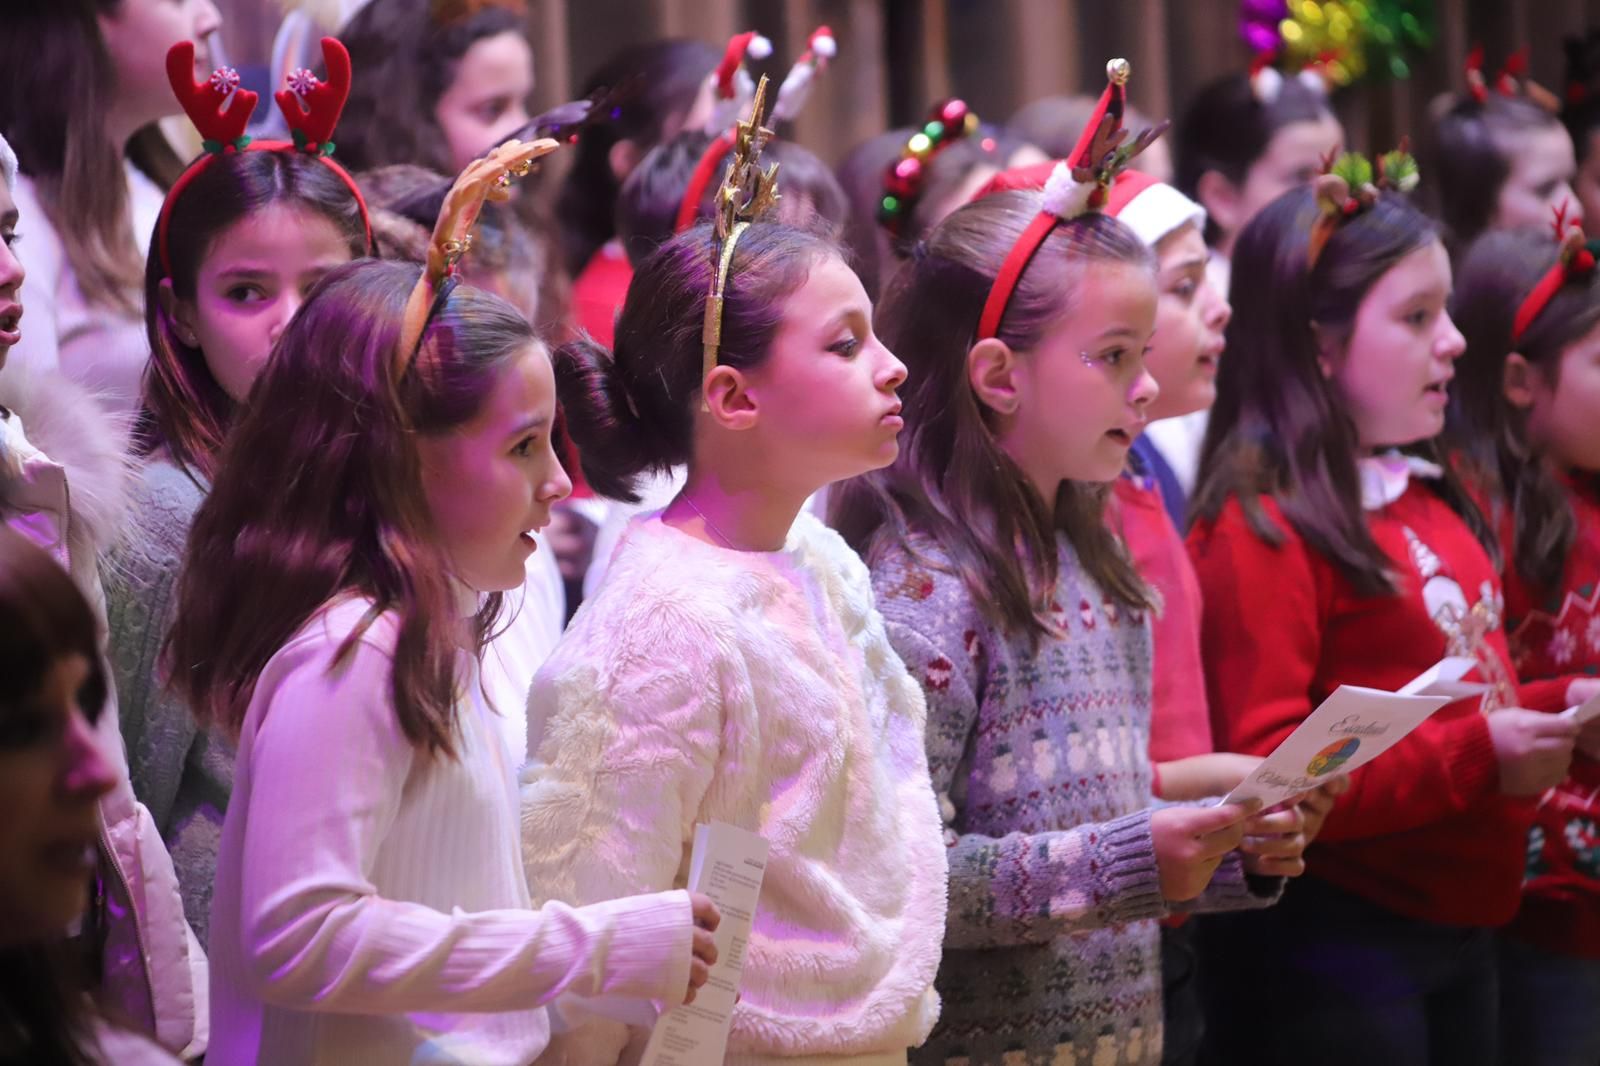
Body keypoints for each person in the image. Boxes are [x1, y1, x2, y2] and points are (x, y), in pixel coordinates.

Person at [166, 140, 717, 1065]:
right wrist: (586, 948)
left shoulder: (426, 637)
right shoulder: (357, 652)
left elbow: (441, 923)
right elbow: (296, 935)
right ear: (401, 453)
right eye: (522, 448)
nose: (557, 484)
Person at [520, 90, 947, 1064]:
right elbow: (589, 920)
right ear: (732, 395)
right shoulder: (660, 625)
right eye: (844, 344)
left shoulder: (820, 556)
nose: (891, 369)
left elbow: (882, 803)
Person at [1188, 149, 1580, 1065]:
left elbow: (1463, 689)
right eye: (1415, 317)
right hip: (1345, 951)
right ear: (1319, 347)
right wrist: (1484, 755)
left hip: (1462, 926)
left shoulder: (1425, 487)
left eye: (1443, 311)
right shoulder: (1265, 529)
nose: (1454, 341)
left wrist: (1556, 709)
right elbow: (1278, 785)